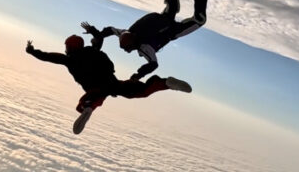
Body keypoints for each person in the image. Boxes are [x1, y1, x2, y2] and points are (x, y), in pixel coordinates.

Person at [26, 25, 192, 133]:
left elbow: (48, 57)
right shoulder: (92, 50)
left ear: (69, 47)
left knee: (93, 96)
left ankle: (88, 108)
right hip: (113, 83)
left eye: (66, 47)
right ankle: (164, 83)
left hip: (97, 87)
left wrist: (31, 51)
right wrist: (93, 32)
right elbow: (98, 42)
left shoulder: (68, 58)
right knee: (139, 91)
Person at [84, 0, 214, 80]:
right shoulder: (131, 36)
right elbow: (111, 30)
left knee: (195, 17)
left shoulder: (142, 46)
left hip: (168, 25)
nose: (129, 50)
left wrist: (138, 75)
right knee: (177, 3)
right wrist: (96, 32)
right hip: (168, 24)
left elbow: (153, 64)